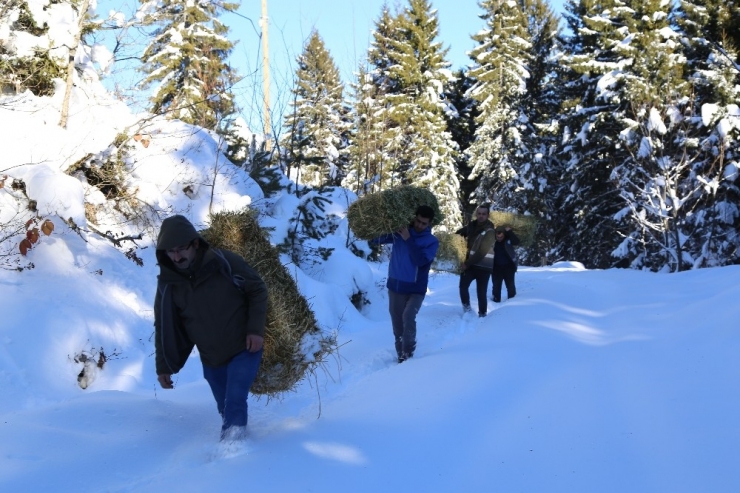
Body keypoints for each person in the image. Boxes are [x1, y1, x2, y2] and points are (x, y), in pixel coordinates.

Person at [153, 215, 268, 441]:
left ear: (195, 244)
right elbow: (164, 324)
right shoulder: (168, 285)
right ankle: (236, 435)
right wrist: (164, 366)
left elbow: (257, 289)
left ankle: (231, 452)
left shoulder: (223, 262)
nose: (176, 257)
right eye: (170, 252)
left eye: (181, 249)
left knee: (235, 398)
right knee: (224, 406)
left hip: (243, 348)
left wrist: (255, 329)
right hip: (211, 358)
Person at [370, 205, 439, 363]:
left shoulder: (431, 242)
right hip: (395, 286)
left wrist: (409, 239)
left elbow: (421, 261)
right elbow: (377, 239)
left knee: (408, 316)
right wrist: (372, 229)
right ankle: (400, 352)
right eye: (418, 221)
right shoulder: (400, 232)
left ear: (429, 224)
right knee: (397, 323)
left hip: (416, 289)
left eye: (424, 223)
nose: (420, 225)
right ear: (414, 218)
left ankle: (407, 352)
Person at [456, 204, 496, 317]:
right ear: (476, 214)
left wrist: (467, 264)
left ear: (488, 215)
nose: (481, 216)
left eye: (484, 214)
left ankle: (482, 314)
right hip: (470, 266)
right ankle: (467, 310)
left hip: (483, 266)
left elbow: (482, 252)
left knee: (481, 292)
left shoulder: (490, 231)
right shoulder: (471, 226)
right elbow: (458, 234)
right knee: (463, 287)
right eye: (479, 213)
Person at [491, 225, 520, 303]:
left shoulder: (508, 240)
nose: (499, 238)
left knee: (510, 286)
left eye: (501, 237)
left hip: (509, 267)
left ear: (504, 235)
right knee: (496, 286)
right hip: (496, 268)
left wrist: (510, 231)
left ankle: (512, 302)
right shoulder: (492, 241)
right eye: (498, 237)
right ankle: (495, 302)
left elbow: (517, 241)